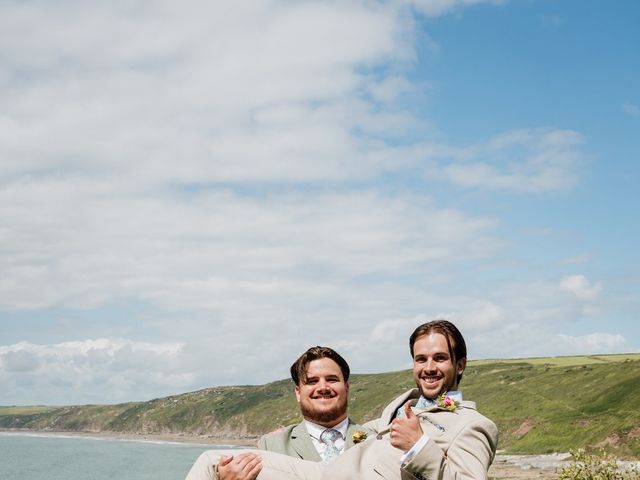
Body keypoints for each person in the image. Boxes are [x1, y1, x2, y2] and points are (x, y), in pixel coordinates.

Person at [185, 320, 498, 480]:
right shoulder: (402, 405)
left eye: (439, 358)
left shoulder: (473, 425)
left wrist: (419, 447)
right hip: (327, 474)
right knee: (211, 462)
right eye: (421, 359)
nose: (428, 367)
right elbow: (354, 430)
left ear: (460, 364)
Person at [186, 346, 369, 480]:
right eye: (312, 381)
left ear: (346, 387)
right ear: (298, 392)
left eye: (331, 379)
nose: (322, 387)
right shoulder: (271, 444)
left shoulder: (377, 440)